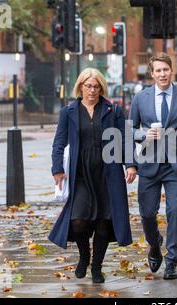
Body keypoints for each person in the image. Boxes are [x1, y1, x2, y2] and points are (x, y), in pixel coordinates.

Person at [49, 68, 137, 283]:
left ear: (101, 88)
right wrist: (57, 169)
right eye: (88, 86)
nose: (92, 90)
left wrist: (131, 165)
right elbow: (59, 142)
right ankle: (84, 256)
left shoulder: (113, 110)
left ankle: (97, 267)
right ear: (80, 87)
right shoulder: (68, 111)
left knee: (104, 223)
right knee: (78, 221)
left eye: (96, 86)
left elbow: (124, 138)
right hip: (80, 173)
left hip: (109, 173)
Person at [129, 53, 177, 280]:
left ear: (172, 71)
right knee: (147, 213)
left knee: (175, 212)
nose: (162, 74)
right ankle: (154, 244)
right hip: (149, 165)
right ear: (152, 74)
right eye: (158, 70)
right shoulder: (140, 98)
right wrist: (143, 136)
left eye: (166, 70)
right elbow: (128, 130)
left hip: (176, 165)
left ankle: (172, 260)